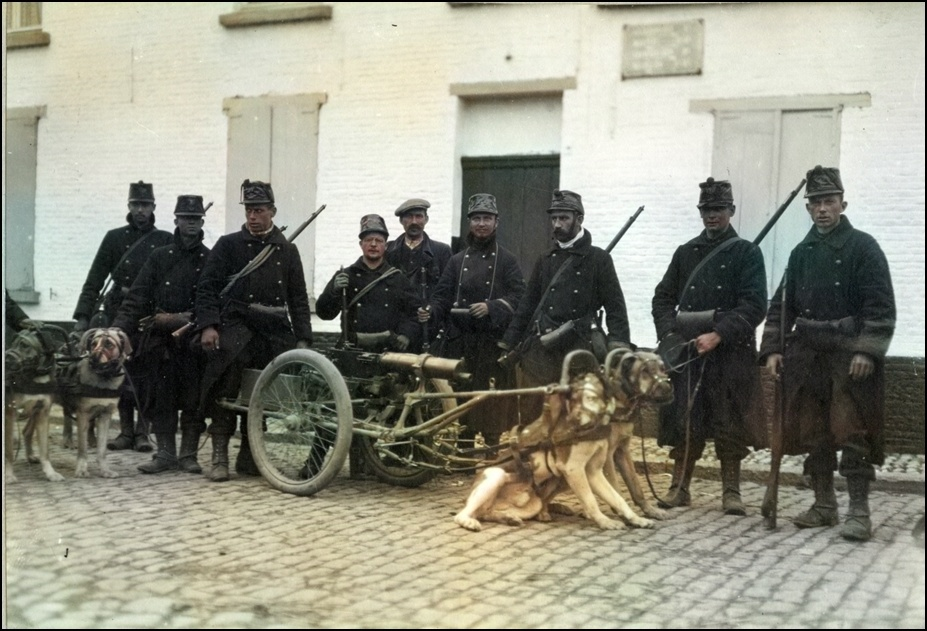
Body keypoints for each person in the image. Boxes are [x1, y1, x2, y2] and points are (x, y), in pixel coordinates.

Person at [760, 165, 895, 541]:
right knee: (814, 430)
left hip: (848, 356)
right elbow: (780, 305)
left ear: (842, 203)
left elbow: (880, 307)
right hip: (807, 357)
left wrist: (868, 350)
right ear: (808, 208)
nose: (822, 209)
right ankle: (823, 505)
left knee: (852, 430)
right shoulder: (801, 253)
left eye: (829, 201)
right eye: (815, 202)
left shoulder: (863, 247)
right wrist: (772, 348)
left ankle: (858, 512)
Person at [651, 177, 768, 515]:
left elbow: (754, 305)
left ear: (731, 211)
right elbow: (662, 298)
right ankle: (679, 487)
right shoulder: (685, 253)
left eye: (718, 209)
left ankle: (731, 492)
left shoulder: (747, 253)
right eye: (706, 210)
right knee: (686, 419)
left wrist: (718, 334)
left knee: (729, 422)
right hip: (689, 354)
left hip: (730, 354)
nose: (712, 216)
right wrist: (671, 336)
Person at [194, 180, 313, 482]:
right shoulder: (227, 245)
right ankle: (220, 456)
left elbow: (298, 298)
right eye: (249, 210)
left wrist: (303, 339)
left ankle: (250, 455)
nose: (253, 216)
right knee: (228, 382)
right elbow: (207, 288)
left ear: (272, 211)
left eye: (259, 210)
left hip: (273, 330)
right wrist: (208, 325)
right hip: (237, 324)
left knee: (266, 391)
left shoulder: (286, 250)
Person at [500, 189, 631, 422]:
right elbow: (528, 304)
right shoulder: (546, 258)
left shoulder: (599, 259)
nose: (557, 224)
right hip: (542, 348)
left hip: (579, 348)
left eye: (564, 218)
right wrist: (509, 341)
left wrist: (617, 345)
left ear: (579, 219)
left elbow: (615, 307)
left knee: (576, 416)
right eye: (554, 218)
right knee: (534, 413)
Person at [113, 195, 211, 475]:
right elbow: (137, 297)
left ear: (201, 221)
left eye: (195, 219)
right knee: (161, 397)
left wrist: (192, 320)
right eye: (185, 218)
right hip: (161, 343)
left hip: (193, 341)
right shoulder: (159, 257)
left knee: (194, 399)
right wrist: (119, 329)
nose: (190, 224)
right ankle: (166, 454)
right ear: (176, 221)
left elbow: (215, 301)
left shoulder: (211, 258)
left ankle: (189, 455)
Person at [72, 181, 173, 453]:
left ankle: (143, 433)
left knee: (147, 374)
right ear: (129, 206)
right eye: (136, 205)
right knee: (120, 371)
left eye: (146, 205)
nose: (141, 210)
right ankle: (125, 432)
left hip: (150, 314)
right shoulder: (113, 238)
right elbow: (95, 279)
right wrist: (83, 316)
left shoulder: (165, 239)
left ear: (153, 207)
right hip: (119, 309)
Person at [429, 193, 525, 444]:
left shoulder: (507, 260)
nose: (482, 224)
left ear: (496, 222)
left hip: (492, 343)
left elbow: (521, 297)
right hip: (461, 341)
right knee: (463, 396)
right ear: (469, 223)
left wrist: (492, 307)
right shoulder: (457, 261)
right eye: (477, 219)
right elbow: (441, 296)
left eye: (487, 218)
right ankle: (464, 449)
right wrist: (430, 310)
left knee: (491, 399)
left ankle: (492, 448)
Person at [316, 214, 420, 352]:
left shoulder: (398, 278)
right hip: (353, 348)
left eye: (379, 240)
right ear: (361, 244)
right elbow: (324, 314)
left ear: (385, 246)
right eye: (368, 240)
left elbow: (415, 313)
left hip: (387, 350)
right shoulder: (346, 276)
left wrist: (406, 334)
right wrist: (334, 291)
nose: (373, 244)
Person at [384, 198, 452, 350]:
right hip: (396, 332)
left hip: (428, 330)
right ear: (401, 221)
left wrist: (432, 310)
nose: (414, 221)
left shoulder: (441, 252)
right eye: (409, 217)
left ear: (426, 219)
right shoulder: (388, 251)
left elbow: (447, 292)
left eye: (419, 216)